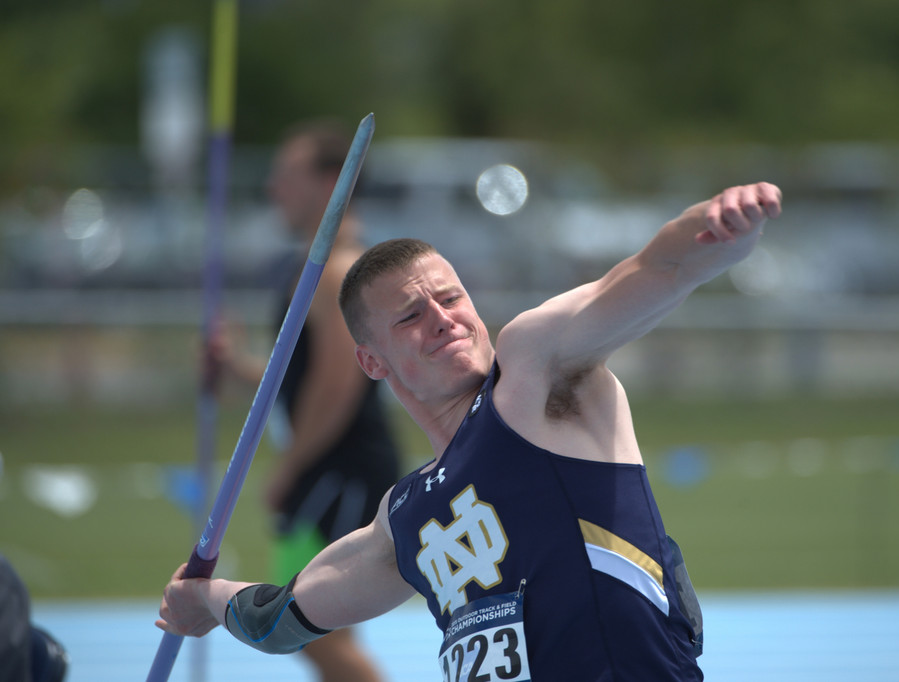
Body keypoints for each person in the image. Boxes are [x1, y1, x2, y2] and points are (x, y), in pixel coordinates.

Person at [162, 181, 784, 680]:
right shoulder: (403, 520)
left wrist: (722, 226)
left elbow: (662, 270)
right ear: (372, 362)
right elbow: (281, 622)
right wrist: (206, 599)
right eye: (410, 315)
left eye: (451, 298)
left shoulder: (535, 372)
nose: (442, 320)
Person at [208, 120, 400, 682]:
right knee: (312, 631)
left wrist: (290, 468)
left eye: (284, 175)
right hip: (327, 466)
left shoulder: (339, 271)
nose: (272, 189)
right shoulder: (316, 269)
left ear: (327, 184)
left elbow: (336, 387)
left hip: (340, 469)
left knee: (306, 628)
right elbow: (293, 379)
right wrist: (234, 365)